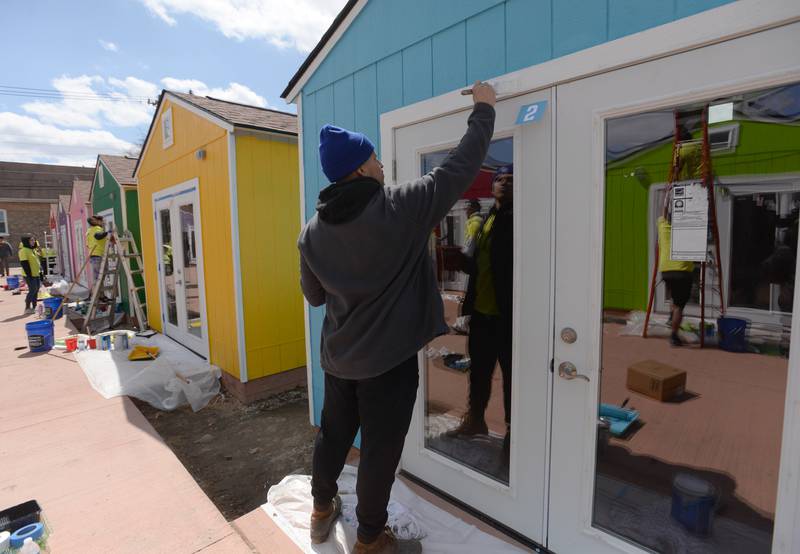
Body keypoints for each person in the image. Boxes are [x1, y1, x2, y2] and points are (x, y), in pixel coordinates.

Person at [298, 82, 496, 553]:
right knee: (380, 453)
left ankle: (321, 509)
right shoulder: (400, 205)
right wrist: (485, 108)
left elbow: (314, 298)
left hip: (339, 360)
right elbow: (460, 167)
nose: (384, 166)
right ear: (363, 166)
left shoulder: (311, 232)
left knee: (333, 435)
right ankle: (370, 540)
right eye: (377, 159)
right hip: (387, 366)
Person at [446, 165, 514, 462]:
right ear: (491, 187)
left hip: (510, 316)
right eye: (500, 179)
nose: (505, 183)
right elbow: (483, 265)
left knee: (513, 378)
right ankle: (476, 420)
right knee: (480, 372)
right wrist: (460, 261)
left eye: (511, 179)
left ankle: (516, 435)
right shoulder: (487, 219)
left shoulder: (521, 220)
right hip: (483, 314)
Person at [658, 188, 695, 347]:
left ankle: (671, 316)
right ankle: (673, 335)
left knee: (674, 297)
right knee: (680, 304)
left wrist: (668, 194)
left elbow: (663, 210)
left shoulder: (663, 227)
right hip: (682, 271)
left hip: (666, 270)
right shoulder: (687, 229)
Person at [18, 236, 41, 314]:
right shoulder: (23, 251)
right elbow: (24, 264)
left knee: (36, 290)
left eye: (34, 240)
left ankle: (34, 307)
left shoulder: (33, 249)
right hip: (29, 274)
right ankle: (27, 308)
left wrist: (40, 272)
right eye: (31, 240)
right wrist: (29, 275)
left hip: (36, 273)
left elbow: (37, 261)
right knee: (33, 290)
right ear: (26, 241)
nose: (33, 241)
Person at [86, 215, 110, 280]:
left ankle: (98, 289)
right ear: (98, 221)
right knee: (100, 277)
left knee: (98, 277)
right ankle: (98, 289)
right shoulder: (97, 228)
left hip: (93, 255)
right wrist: (107, 233)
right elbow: (98, 236)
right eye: (101, 221)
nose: (102, 222)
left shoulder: (89, 230)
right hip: (98, 255)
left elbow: (87, 244)